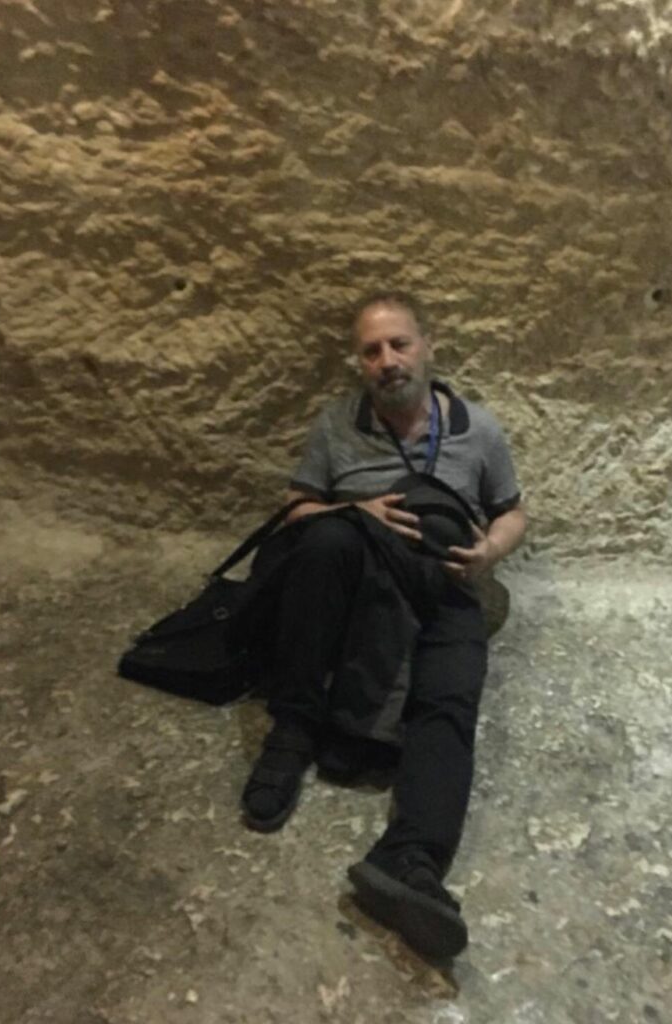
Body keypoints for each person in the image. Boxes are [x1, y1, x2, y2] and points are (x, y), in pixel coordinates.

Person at [241, 292, 526, 959]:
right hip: (355, 583)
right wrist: (356, 511)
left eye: (399, 344)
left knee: (451, 694)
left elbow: (512, 512)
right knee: (326, 541)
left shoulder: (477, 429)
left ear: (428, 347)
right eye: (371, 351)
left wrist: (489, 551)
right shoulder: (337, 424)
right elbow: (296, 509)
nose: (387, 360)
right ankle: (292, 734)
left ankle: (412, 860)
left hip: (445, 583)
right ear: (360, 363)